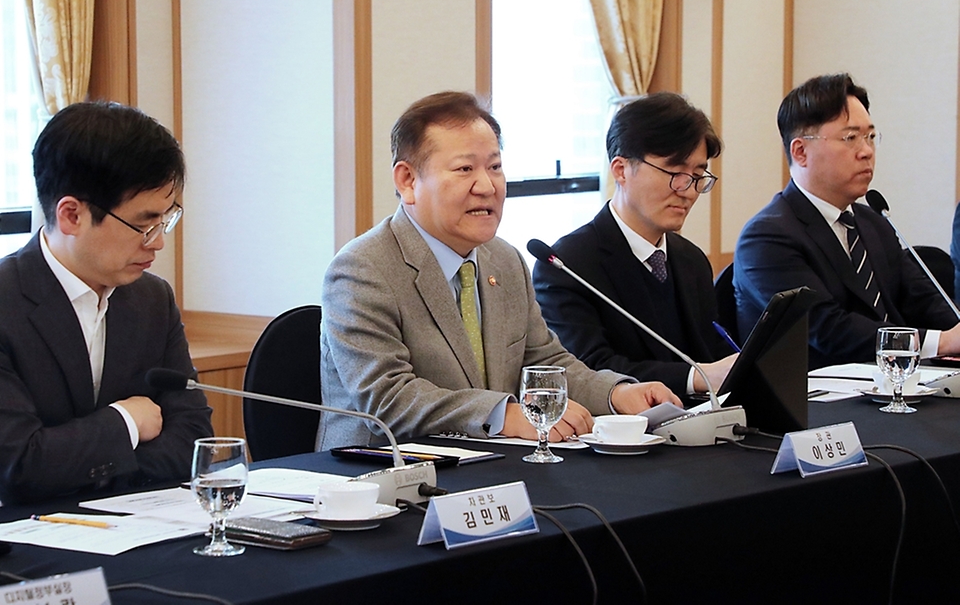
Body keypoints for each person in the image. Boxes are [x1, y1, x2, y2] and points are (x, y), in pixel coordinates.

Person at [317, 91, 681, 450]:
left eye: (495, 167)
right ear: (408, 181)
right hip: (375, 479)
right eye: (464, 169)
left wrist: (618, 393)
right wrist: (503, 414)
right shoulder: (362, 270)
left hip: (489, 468)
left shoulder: (503, 260)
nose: (487, 186)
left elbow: (545, 363)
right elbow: (389, 397)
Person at [0, 101, 213, 505]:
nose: (158, 241)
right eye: (143, 224)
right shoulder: (6, 302)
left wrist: (84, 470)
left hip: (137, 528)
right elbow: (19, 465)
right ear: (71, 216)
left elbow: (192, 438)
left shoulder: (152, 299)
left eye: (165, 219)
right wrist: (126, 422)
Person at [734, 73, 959, 369]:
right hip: (818, 403)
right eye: (850, 138)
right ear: (800, 151)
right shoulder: (766, 238)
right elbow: (830, 330)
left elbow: (922, 300)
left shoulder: (873, 221)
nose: (866, 151)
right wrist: (941, 342)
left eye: (870, 137)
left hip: (896, 387)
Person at [533, 93, 737, 403]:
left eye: (697, 176)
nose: (689, 191)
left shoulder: (690, 259)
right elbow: (589, 369)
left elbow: (711, 350)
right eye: (675, 174)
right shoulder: (567, 264)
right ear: (621, 170)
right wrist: (696, 376)